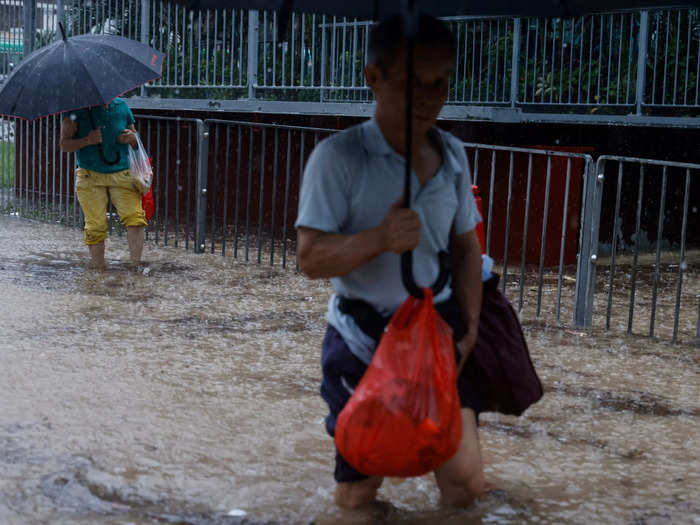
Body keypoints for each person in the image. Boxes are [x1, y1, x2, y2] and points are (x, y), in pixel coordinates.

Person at [296, 14, 488, 509]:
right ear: (373, 79)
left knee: (465, 485)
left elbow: (467, 246)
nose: (428, 96)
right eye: (411, 82)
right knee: (360, 496)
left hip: (439, 334)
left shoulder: (452, 154)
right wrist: (378, 238)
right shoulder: (337, 158)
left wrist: (468, 327)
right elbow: (310, 257)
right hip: (361, 342)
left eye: (439, 82)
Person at [59, 97, 146, 270]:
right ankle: (98, 270)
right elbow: (64, 145)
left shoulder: (121, 106)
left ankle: (136, 268)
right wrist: (87, 140)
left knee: (135, 219)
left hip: (122, 173)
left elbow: (134, 136)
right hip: (89, 176)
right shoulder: (75, 109)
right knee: (96, 226)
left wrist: (131, 139)